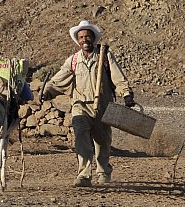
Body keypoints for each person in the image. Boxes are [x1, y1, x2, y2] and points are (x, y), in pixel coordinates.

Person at [41, 20, 134, 187]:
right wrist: (48, 92)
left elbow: (118, 77)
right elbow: (59, 79)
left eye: (87, 36)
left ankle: (103, 170)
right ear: (78, 40)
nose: (84, 40)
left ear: (93, 38)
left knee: (102, 140)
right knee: (81, 136)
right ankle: (84, 174)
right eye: (81, 37)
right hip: (80, 106)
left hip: (103, 107)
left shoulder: (105, 56)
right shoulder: (73, 60)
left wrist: (126, 94)